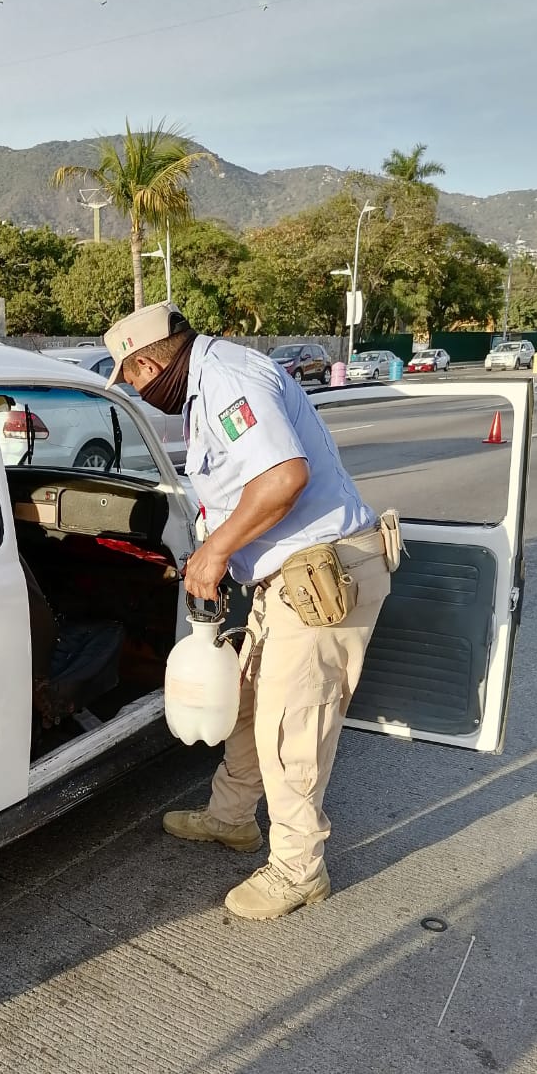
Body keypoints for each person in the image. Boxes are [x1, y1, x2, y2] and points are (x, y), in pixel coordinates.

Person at [103, 303, 398, 920]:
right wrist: (222, 558)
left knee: (292, 725)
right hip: (287, 577)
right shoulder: (208, 384)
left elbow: (283, 478)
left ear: (148, 362)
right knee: (247, 699)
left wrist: (214, 551)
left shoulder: (228, 381)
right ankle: (232, 818)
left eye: (128, 377)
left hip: (321, 575)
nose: (134, 388)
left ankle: (298, 869)